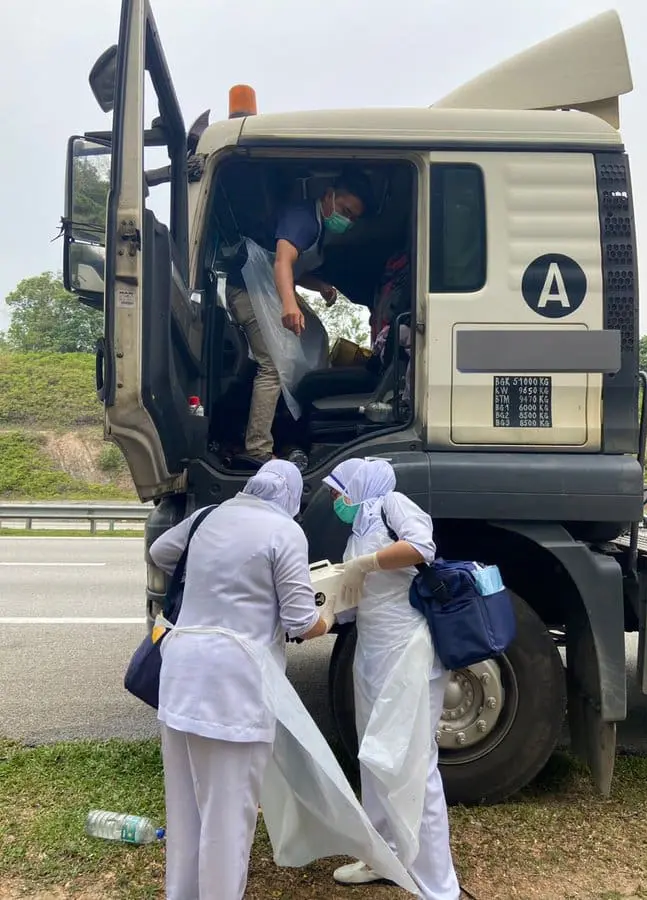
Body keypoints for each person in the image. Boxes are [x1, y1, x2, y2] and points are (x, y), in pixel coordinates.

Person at [149, 461, 335, 900]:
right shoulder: (285, 532)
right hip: (233, 684)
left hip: (179, 674)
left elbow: (159, 552)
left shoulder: (208, 515)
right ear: (290, 497)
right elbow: (299, 620)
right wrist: (328, 618)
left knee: (186, 810)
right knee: (228, 818)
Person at [324, 458, 461, 900]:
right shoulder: (359, 527)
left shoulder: (392, 504)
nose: (334, 499)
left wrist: (365, 563)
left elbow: (423, 548)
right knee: (374, 755)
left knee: (414, 763)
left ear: (361, 486)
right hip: (371, 652)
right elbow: (354, 595)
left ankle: (436, 885)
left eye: (338, 490)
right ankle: (382, 857)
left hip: (408, 652)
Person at [225, 170, 373, 464]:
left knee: (316, 335)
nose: (347, 220)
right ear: (329, 194)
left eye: (353, 218)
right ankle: (257, 447)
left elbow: (297, 270)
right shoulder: (303, 217)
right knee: (272, 364)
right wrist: (289, 305)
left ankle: (298, 421)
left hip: (267, 288)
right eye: (345, 211)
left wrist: (320, 287)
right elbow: (281, 262)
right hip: (248, 290)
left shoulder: (318, 227)